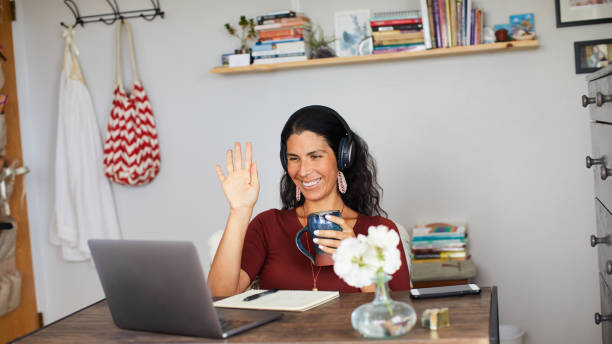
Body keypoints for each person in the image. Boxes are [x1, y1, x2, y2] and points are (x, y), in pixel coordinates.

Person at [208, 105, 410, 297]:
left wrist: (357, 257)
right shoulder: (268, 226)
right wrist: (240, 210)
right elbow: (220, 297)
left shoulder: (381, 232)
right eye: (294, 158)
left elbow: (395, 317)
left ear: (342, 158)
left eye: (315, 156)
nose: (303, 171)